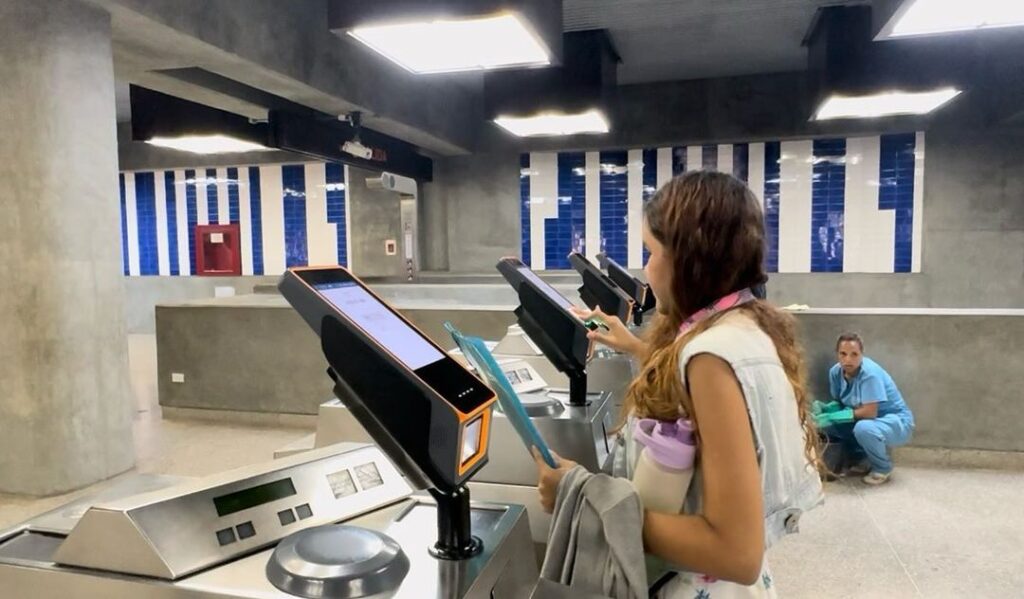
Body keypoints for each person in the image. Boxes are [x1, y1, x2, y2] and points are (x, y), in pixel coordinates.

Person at [534, 171, 823, 596]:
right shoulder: (743, 326)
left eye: (651, 252)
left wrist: (580, 497)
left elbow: (735, 552)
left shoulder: (710, 358)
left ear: (689, 260)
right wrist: (638, 348)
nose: (646, 269)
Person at [814, 333, 915, 485]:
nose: (848, 359)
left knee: (863, 428)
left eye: (854, 354)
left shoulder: (869, 374)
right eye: (843, 354)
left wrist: (832, 416)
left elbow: (869, 412)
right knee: (827, 425)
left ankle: (882, 468)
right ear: (837, 354)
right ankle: (863, 459)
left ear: (862, 354)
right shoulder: (835, 373)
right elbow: (841, 402)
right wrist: (827, 409)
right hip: (866, 419)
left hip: (894, 422)